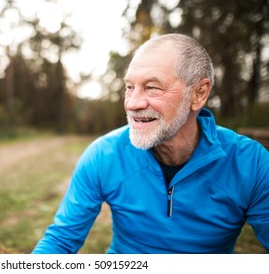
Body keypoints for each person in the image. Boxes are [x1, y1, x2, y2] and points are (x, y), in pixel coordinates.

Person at [32, 33, 269, 254]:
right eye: (129, 87)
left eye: (152, 87)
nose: (132, 103)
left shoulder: (252, 164)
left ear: (198, 94)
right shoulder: (103, 154)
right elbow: (61, 241)